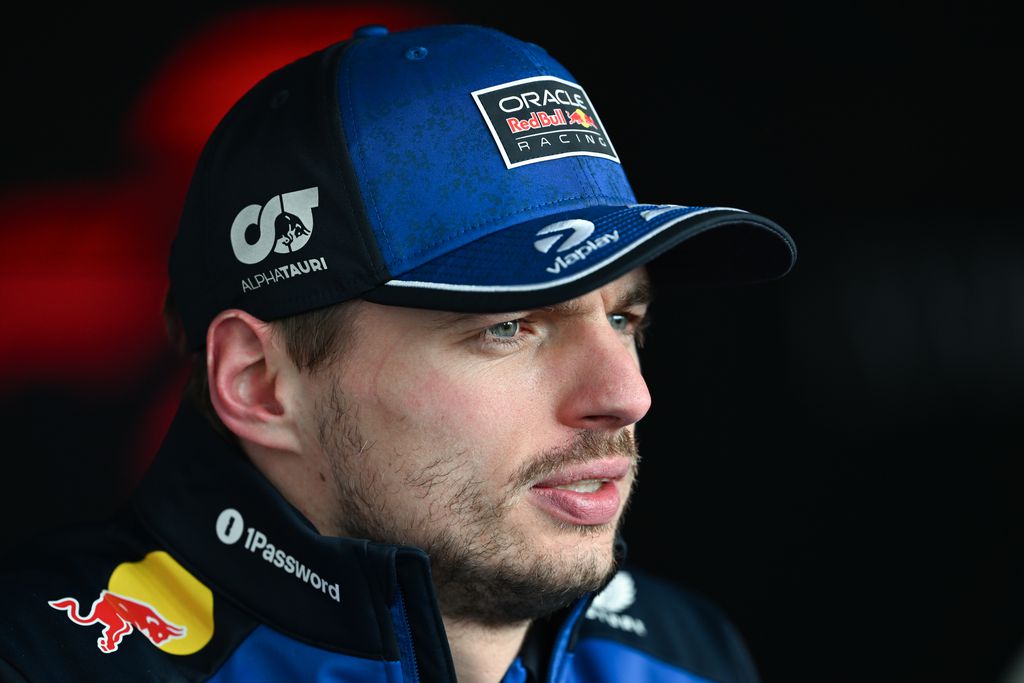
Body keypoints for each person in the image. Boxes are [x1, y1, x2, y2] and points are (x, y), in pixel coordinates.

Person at [0, 22, 796, 683]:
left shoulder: (684, 654)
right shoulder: (41, 660)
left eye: (624, 318)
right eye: (508, 326)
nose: (626, 395)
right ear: (260, 382)